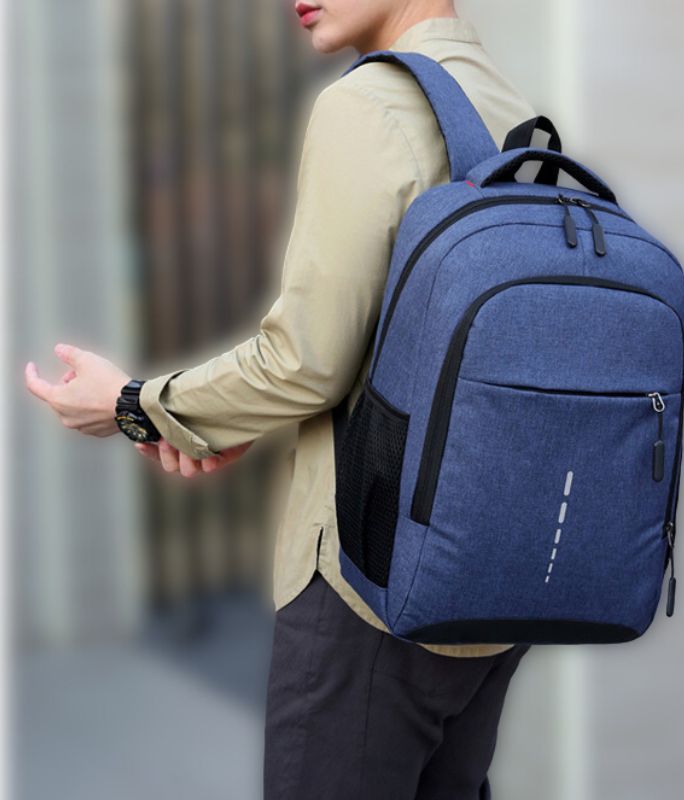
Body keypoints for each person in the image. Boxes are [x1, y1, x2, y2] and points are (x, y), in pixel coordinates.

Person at [24, 1, 538, 796]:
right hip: (492, 574)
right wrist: (224, 417)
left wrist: (134, 406)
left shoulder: (369, 102)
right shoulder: (511, 107)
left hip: (370, 584)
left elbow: (305, 364)